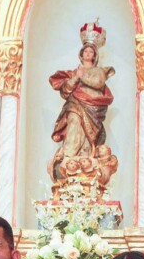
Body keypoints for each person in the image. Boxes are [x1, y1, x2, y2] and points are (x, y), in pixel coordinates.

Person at [49, 32, 115, 172]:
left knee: (88, 134)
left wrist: (82, 76)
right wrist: (75, 77)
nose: (88, 53)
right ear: (81, 54)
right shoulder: (75, 72)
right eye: (86, 51)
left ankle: (85, 157)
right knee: (73, 121)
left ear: (95, 55)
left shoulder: (98, 71)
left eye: (91, 51)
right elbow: (66, 90)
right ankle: (69, 156)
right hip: (75, 104)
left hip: (93, 108)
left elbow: (98, 83)